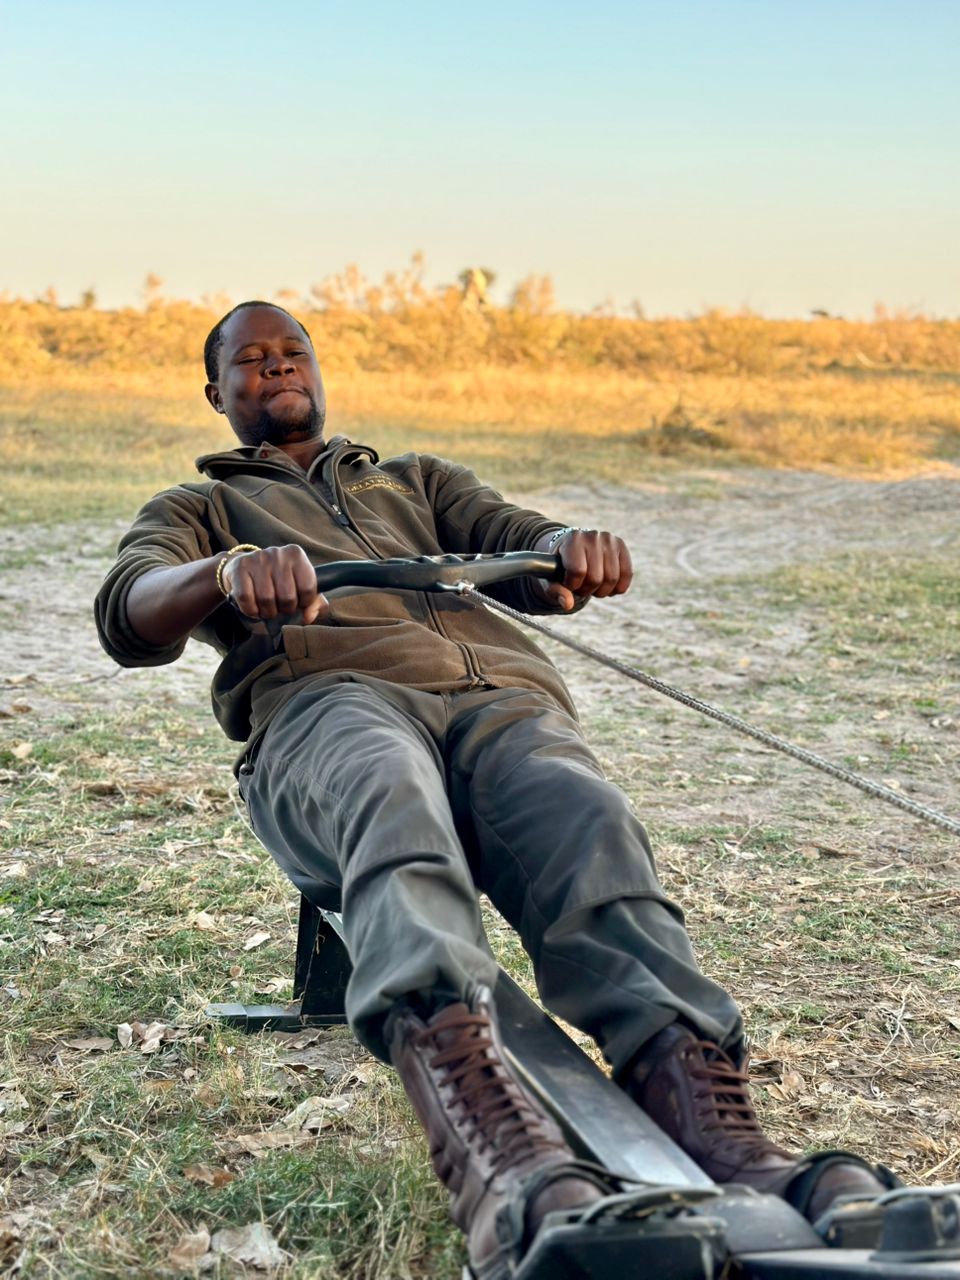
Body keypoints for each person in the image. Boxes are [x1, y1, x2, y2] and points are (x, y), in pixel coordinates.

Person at [95, 302, 890, 1278]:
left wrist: (570, 549)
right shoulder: (201, 507)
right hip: (329, 705)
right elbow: (128, 608)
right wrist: (225, 572)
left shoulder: (414, 480)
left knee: (585, 815)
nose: (278, 367)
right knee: (388, 790)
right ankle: (503, 1165)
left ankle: (715, 1127)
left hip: (496, 703)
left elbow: (524, 543)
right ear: (216, 393)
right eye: (250, 360)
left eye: (292, 351)